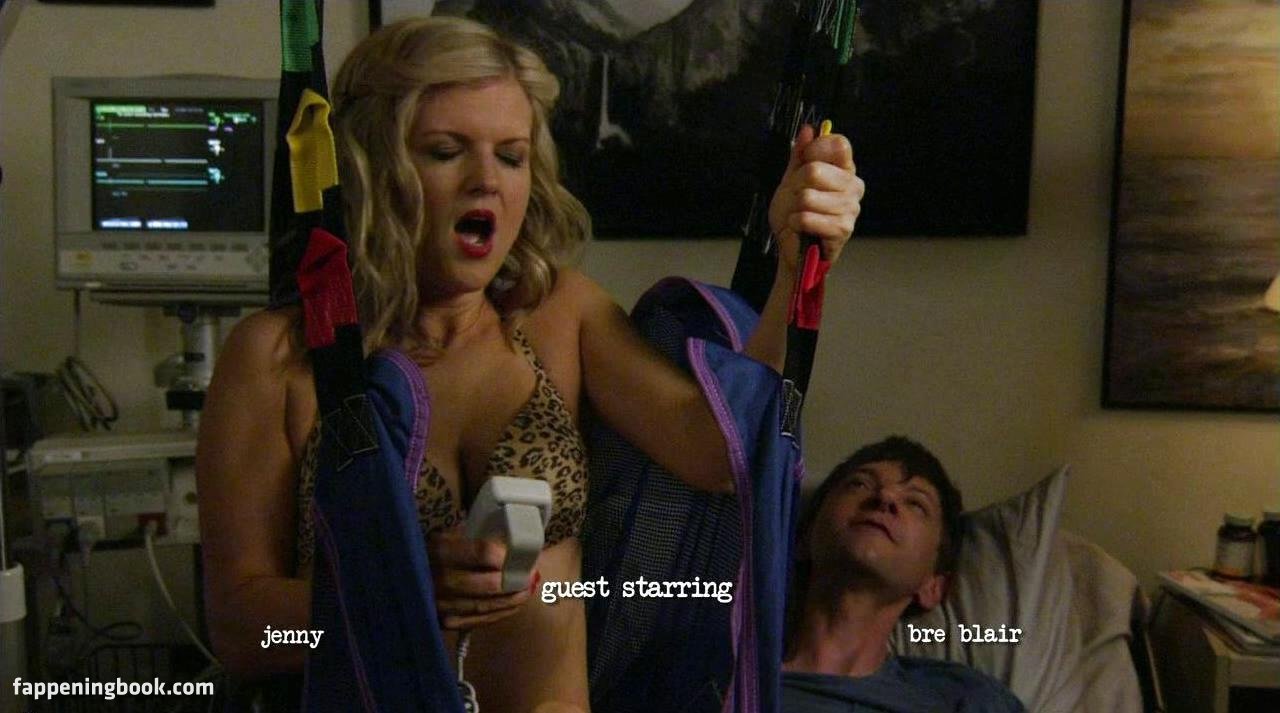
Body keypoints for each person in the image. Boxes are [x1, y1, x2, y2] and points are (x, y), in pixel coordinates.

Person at [196, 15, 864, 713]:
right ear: (371, 166)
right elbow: (244, 631)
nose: (486, 181)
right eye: (446, 151)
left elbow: (726, 454)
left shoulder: (558, 315)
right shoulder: (278, 358)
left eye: (511, 157)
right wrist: (393, 599)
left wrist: (796, 265)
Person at [781, 436, 1025, 712]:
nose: (884, 497)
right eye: (859, 484)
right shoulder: (741, 674)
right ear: (802, 539)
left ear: (933, 586)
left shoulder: (966, 698)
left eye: (915, 503)